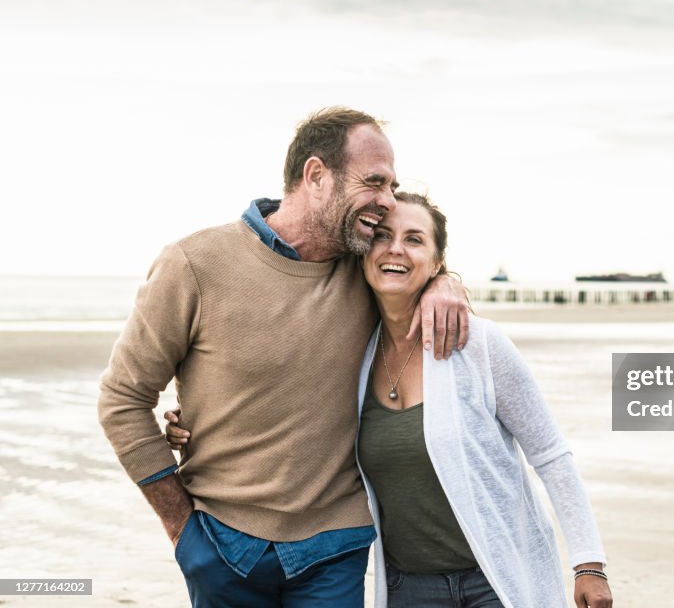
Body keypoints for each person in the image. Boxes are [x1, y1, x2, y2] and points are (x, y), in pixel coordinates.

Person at [97, 107, 470, 608]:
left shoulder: (364, 268)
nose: (387, 202)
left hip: (335, 544)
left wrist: (448, 284)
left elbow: (416, 263)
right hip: (222, 542)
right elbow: (122, 400)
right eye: (375, 183)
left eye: (391, 186)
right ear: (316, 175)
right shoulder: (194, 264)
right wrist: (181, 529)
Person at [168, 193, 614, 608]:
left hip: (495, 579)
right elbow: (284, 398)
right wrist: (202, 419)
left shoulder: (478, 346)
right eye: (382, 237)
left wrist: (588, 563)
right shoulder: (351, 349)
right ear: (364, 254)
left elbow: (551, 455)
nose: (396, 249)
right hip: (407, 589)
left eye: (414, 240)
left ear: (437, 262)